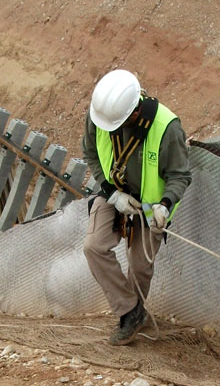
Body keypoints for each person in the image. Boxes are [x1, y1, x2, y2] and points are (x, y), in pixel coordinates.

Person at [82, 69, 192, 346]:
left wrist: (164, 206)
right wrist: (111, 194)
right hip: (114, 194)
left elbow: (179, 175)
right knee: (94, 247)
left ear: (133, 112)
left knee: (141, 266)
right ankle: (130, 312)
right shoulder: (101, 115)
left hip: (151, 208)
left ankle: (132, 314)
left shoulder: (167, 128)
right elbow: (91, 153)